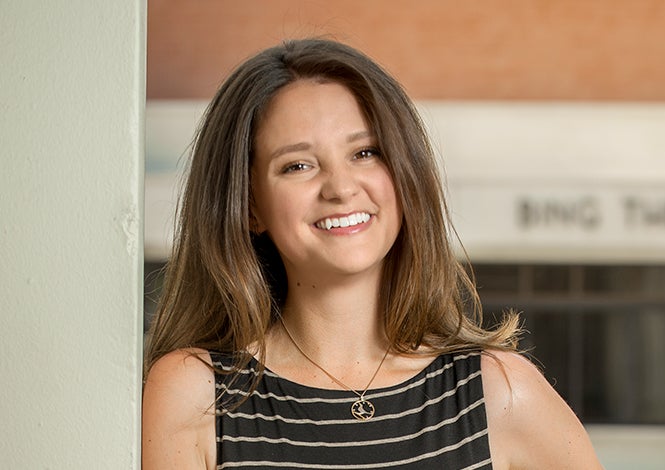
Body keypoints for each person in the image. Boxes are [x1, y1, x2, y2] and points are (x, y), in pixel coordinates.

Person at [142, 38, 603, 469]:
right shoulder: (194, 394)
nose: (341, 188)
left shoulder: (499, 391)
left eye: (365, 153)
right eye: (298, 165)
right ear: (249, 206)